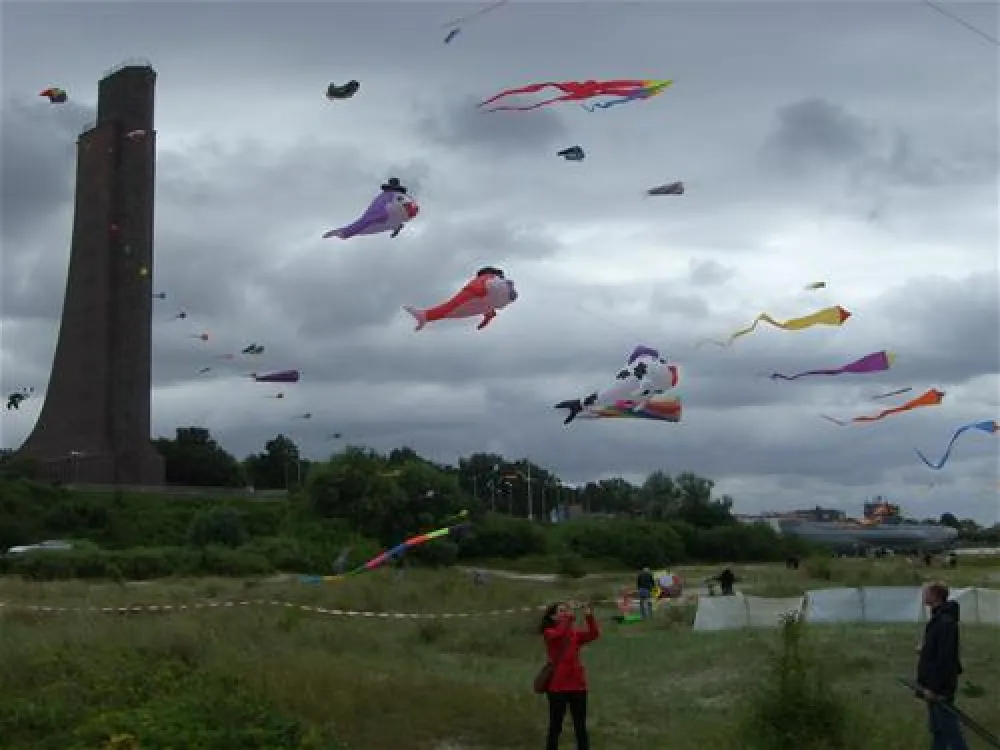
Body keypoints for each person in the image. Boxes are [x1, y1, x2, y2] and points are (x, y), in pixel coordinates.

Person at [539, 600, 599, 750]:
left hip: (578, 685)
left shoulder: (574, 634)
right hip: (558, 687)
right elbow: (558, 634)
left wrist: (589, 617)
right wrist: (569, 618)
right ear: (553, 617)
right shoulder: (549, 633)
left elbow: (593, 634)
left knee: (580, 726)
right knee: (556, 726)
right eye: (561, 611)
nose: (565, 613)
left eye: (566, 610)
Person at [916, 582, 968, 750]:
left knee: (949, 729)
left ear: (935, 595)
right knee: (938, 729)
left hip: (940, 686)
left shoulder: (944, 621)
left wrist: (933, 688)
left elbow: (944, 659)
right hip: (934, 683)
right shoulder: (939, 618)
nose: (923, 595)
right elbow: (937, 650)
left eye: (926, 592)